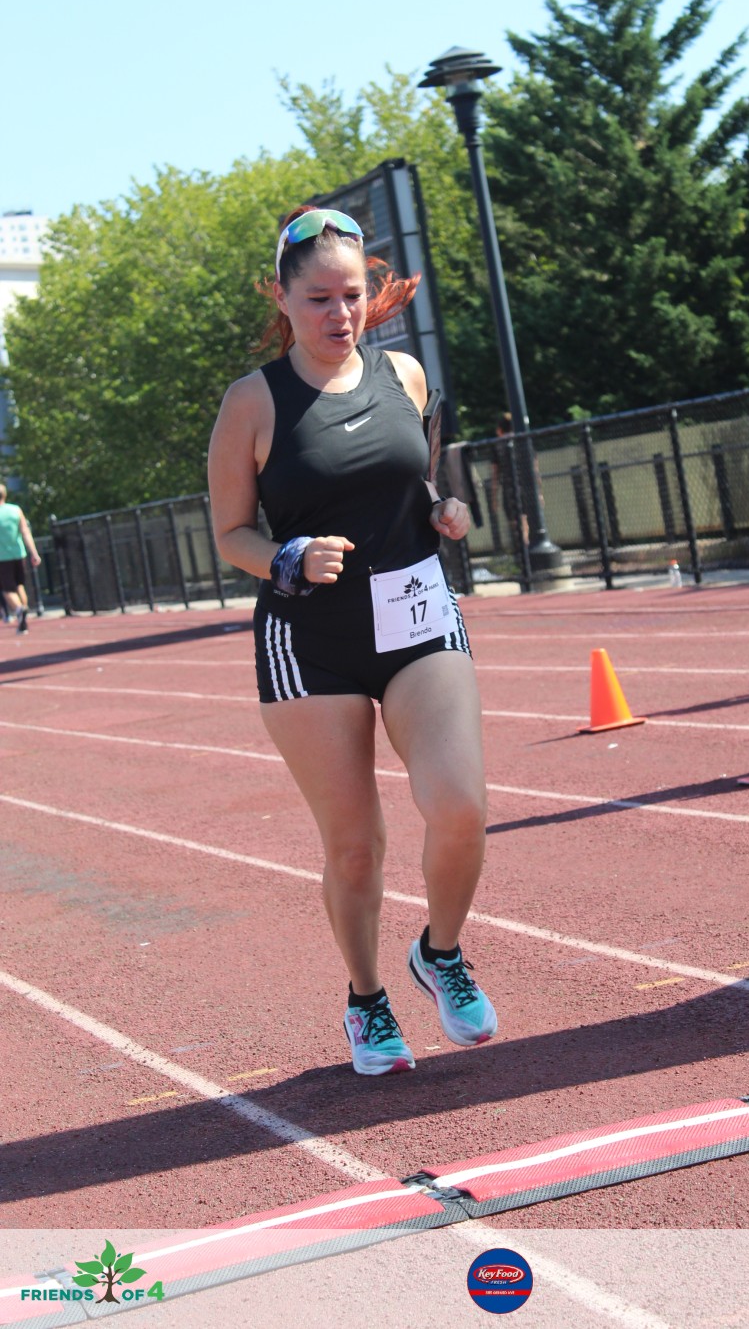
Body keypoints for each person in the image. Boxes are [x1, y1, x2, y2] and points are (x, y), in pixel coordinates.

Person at [208, 206, 496, 1076]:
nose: (340, 314)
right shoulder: (253, 401)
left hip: (416, 615)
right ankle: (367, 1000)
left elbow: (416, 483)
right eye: (319, 299)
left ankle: (439, 953)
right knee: (356, 845)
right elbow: (230, 534)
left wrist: (447, 511)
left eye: (353, 296)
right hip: (312, 641)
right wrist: (286, 557)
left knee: (460, 805)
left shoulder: (403, 373)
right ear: (282, 299)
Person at [0, 483, 41, 633]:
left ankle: (19, 610)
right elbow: (25, 532)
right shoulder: (16, 510)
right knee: (19, 585)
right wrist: (34, 553)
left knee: (7, 590)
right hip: (19, 554)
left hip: (2, 558)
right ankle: (23, 613)